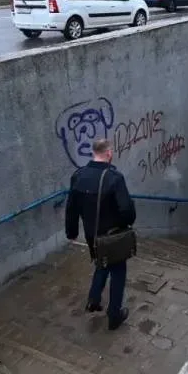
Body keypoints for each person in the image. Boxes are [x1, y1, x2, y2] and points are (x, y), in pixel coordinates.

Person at [65, 138, 136, 330]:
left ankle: (94, 299)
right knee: (118, 270)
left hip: (92, 235)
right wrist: (125, 224)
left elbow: (71, 208)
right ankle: (114, 315)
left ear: (93, 153)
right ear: (109, 153)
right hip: (113, 236)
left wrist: (71, 232)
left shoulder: (78, 176)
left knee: (101, 262)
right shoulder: (114, 178)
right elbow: (126, 211)